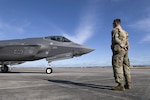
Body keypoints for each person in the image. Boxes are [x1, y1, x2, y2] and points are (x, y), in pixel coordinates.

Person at [111, 18, 131, 91]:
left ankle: (120, 85)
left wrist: (122, 45)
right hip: (125, 51)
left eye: (113, 24)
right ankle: (128, 84)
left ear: (115, 23)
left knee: (117, 66)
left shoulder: (115, 30)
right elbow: (128, 43)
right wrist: (126, 46)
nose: (112, 25)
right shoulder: (125, 32)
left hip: (119, 50)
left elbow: (115, 39)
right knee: (126, 66)